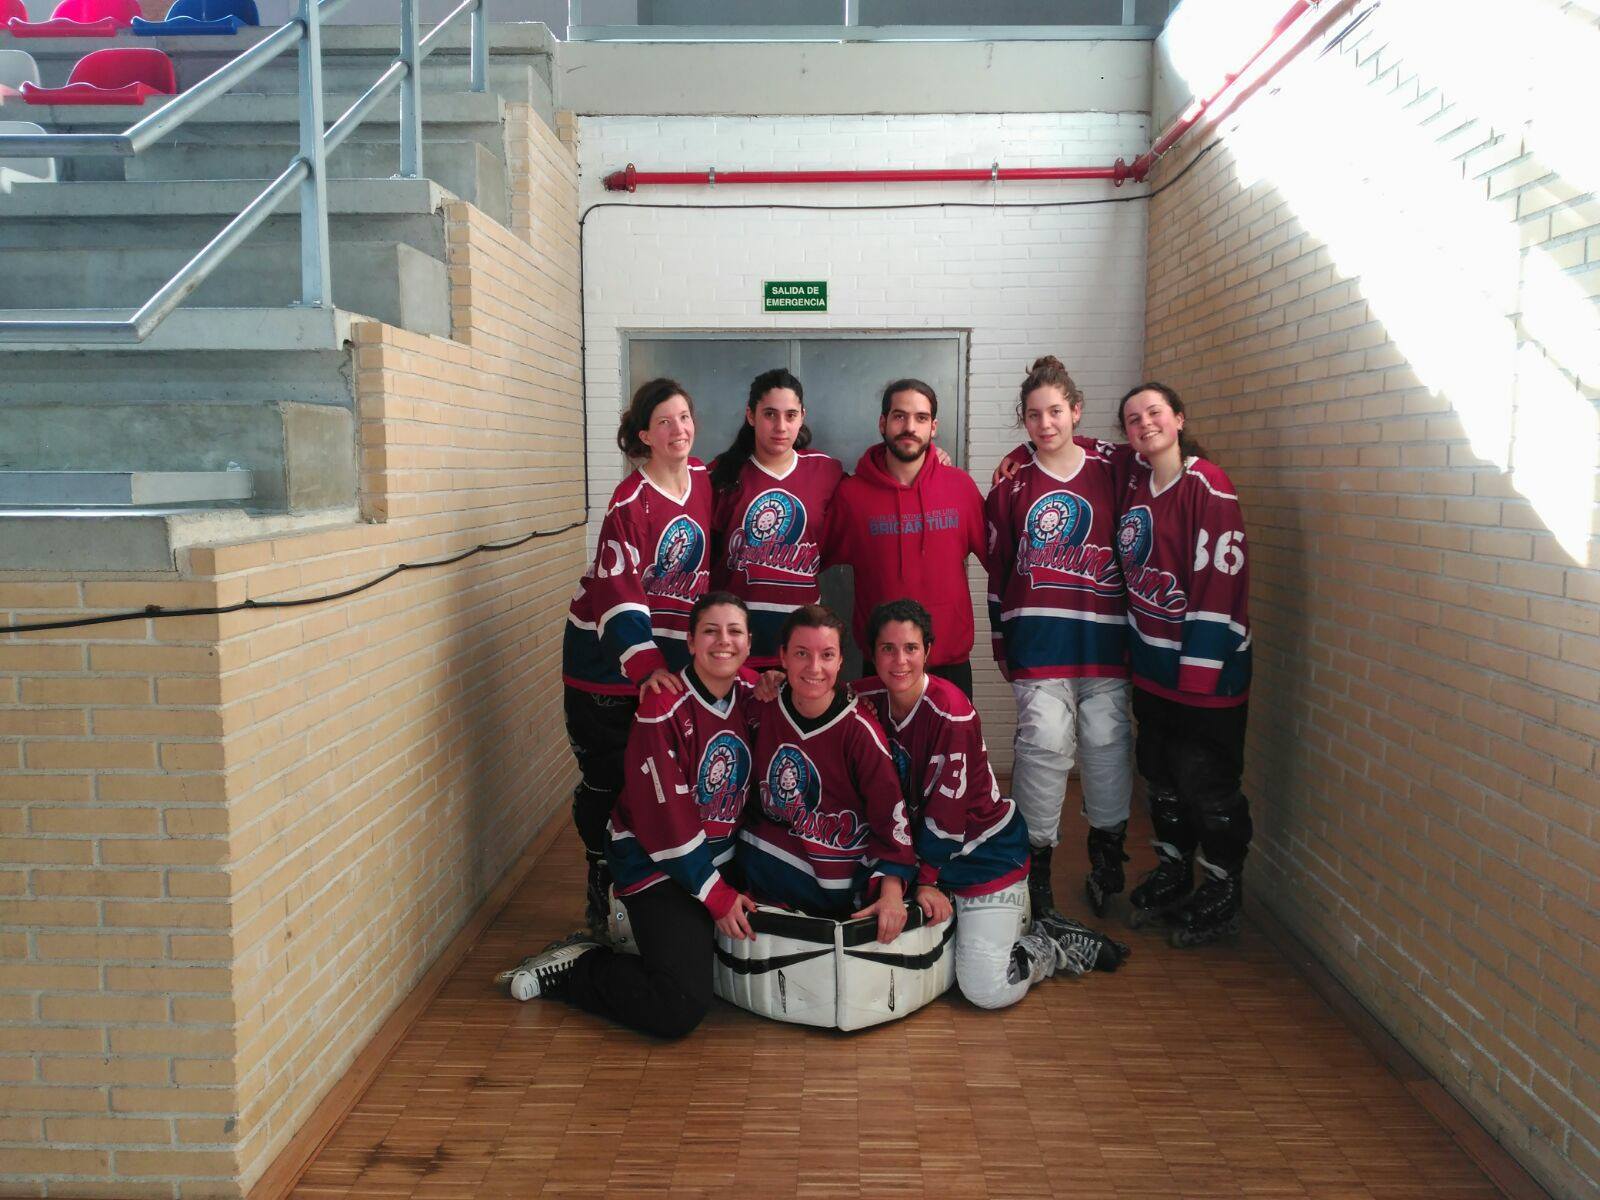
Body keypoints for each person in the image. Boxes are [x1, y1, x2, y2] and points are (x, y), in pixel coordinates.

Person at [502, 593, 762, 1036]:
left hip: (718, 861)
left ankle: (655, 941)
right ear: (691, 641)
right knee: (677, 1007)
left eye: (734, 631)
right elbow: (665, 822)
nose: (724, 641)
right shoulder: (662, 705)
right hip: (657, 863)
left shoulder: (756, 693)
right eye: (711, 631)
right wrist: (715, 896)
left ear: (749, 642)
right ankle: (581, 968)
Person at [856, 599, 1128, 1010]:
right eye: (887, 649)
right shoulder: (869, 697)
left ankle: (1047, 943)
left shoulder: (951, 713)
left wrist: (927, 880)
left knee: (984, 989)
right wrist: (770, 683)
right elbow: (814, 689)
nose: (899, 660)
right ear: (872, 653)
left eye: (910, 648)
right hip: (923, 860)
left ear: (928, 650)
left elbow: (947, 818)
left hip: (982, 857)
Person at [984, 357, 1134, 922]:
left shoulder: (1115, 467)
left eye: (1055, 411)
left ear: (1075, 410)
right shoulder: (1010, 485)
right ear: (1022, 421)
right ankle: (1037, 862)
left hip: (1104, 642)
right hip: (1040, 640)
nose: (1045, 424)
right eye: (1032, 415)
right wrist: (1003, 640)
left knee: (1105, 742)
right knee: (1045, 745)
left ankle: (1107, 855)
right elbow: (999, 570)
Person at [561, 378, 711, 939]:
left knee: (665, 784)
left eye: (685, 417)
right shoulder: (629, 501)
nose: (678, 430)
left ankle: (656, 890)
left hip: (664, 672)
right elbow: (617, 591)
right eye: (664, 422)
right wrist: (645, 665)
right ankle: (604, 891)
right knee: (610, 784)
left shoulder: (703, 480)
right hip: (608, 671)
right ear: (644, 435)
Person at [1114, 383, 1253, 947]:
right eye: (1132, 419)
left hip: (1205, 676)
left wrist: (1197, 672)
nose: (1144, 424)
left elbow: (1221, 583)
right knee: (1162, 777)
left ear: (1178, 418)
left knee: (1208, 784)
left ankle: (1223, 886)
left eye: (1154, 413)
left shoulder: (1207, 484)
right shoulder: (1136, 482)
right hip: (1153, 669)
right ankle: (1174, 869)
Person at [735, 604, 916, 943]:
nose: (815, 668)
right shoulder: (762, 706)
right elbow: (724, 674)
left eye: (827, 655)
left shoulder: (860, 730)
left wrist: (891, 891)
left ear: (840, 661)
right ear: (782, 657)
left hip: (840, 894)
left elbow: (891, 821)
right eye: (802, 653)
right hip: (766, 884)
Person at [823, 379, 986, 698]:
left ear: (934, 427)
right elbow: (808, 559)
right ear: (882, 422)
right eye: (899, 416)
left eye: (921, 418)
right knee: (879, 750)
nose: (910, 426)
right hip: (883, 666)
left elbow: (1006, 559)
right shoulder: (852, 496)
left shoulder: (960, 488)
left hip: (949, 665)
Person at [710, 369, 845, 669]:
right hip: (733, 637)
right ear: (751, 415)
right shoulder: (722, 474)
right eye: (770, 414)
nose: (781, 426)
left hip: (801, 639)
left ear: (802, 416)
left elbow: (872, 493)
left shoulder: (826, 471)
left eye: (791, 415)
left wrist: (933, 458)